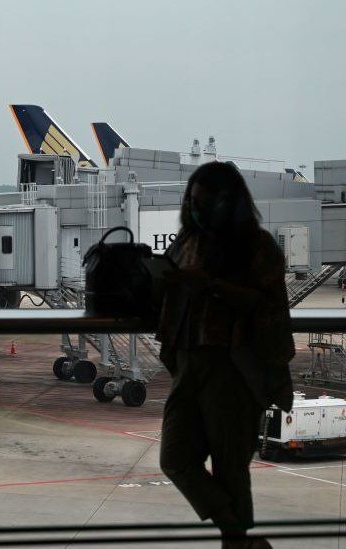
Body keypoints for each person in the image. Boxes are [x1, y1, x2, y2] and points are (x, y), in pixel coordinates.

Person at [156, 161, 294, 549]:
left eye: (205, 202)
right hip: (188, 361)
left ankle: (236, 541)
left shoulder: (256, 246)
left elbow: (266, 306)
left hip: (232, 367)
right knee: (175, 458)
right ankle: (240, 537)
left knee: (232, 468)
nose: (196, 209)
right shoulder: (186, 242)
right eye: (192, 201)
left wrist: (212, 286)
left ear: (227, 202)